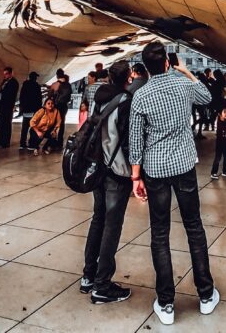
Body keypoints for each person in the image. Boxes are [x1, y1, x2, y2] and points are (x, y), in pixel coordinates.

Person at [129, 41, 218, 325]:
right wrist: (187, 71)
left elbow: (135, 140)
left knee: (159, 233)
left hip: (155, 170)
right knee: (194, 227)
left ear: (145, 67)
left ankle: (166, 303)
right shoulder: (182, 85)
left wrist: (135, 176)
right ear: (167, 62)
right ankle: (205, 295)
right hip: (184, 166)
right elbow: (206, 97)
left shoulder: (141, 96)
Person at [81, 61, 137, 304]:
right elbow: (127, 140)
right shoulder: (126, 101)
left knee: (98, 219)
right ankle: (102, 286)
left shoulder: (100, 97)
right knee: (112, 226)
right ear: (128, 77)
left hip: (98, 168)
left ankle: (88, 276)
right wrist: (136, 172)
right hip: (116, 170)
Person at [0, 67, 18, 148]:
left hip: (7, 106)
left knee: (6, 123)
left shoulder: (14, 82)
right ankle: (1, 140)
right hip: (1, 105)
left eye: (6, 74)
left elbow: (10, 94)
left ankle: (6, 142)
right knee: (0, 123)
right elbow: (1, 91)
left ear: (11, 73)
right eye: (4, 74)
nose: (5, 76)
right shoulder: (4, 81)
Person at [18, 72, 43, 150]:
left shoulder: (24, 85)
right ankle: (31, 144)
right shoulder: (36, 86)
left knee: (24, 127)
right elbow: (39, 99)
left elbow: (21, 97)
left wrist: (22, 108)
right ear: (35, 78)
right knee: (33, 127)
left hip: (26, 110)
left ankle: (22, 144)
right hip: (34, 110)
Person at [210, 107, 226, 179]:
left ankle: (225, 171)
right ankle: (213, 172)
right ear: (220, 114)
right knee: (218, 157)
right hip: (220, 143)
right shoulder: (220, 122)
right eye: (224, 112)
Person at [52, 70, 73, 147]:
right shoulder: (68, 85)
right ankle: (60, 142)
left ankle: (52, 140)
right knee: (62, 123)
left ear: (57, 75)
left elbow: (50, 95)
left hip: (56, 106)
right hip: (64, 106)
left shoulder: (55, 84)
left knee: (54, 123)